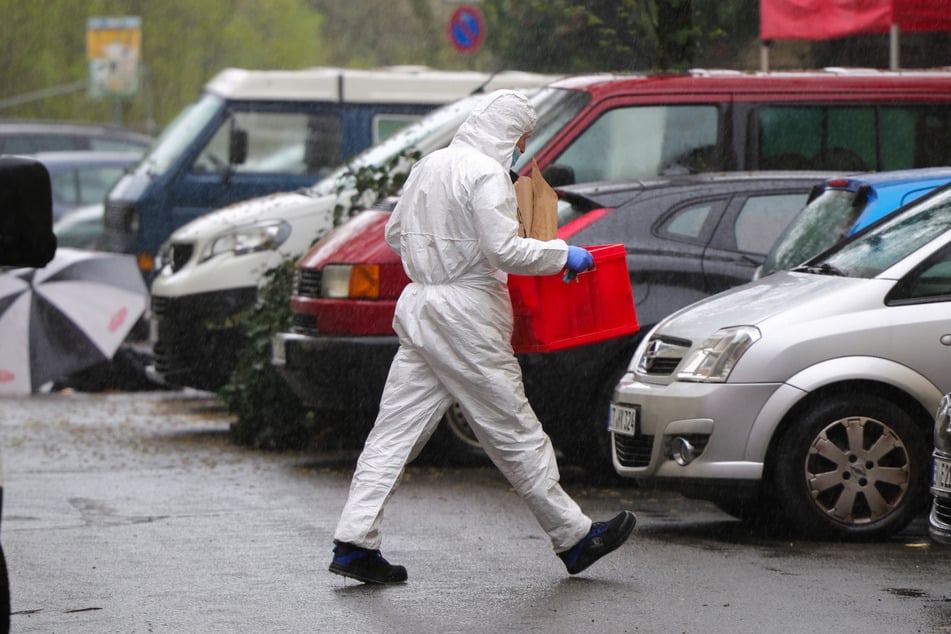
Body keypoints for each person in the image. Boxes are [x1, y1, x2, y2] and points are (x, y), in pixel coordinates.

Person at [329, 89, 636, 584]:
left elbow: (393, 235)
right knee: (514, 429)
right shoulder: (487, 173)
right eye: (521, 139)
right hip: (468, 315)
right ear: (506, 132)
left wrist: (438, 246)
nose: (520, 150)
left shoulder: (430, 165)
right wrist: (562, 255)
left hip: (422, 307)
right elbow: (503, 252)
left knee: (393, 433)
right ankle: (575, 538)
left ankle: (354, 540)